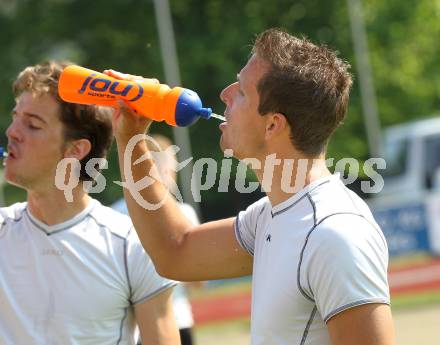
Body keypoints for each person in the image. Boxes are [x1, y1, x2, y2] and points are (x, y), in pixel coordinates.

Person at [110, 28, 395, 345]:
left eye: (242, 91)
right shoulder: (272, 215)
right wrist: (130, 138)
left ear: (273, 124)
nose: (225, 94)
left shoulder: (334, 232)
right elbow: (173, 252)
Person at [0, 60, 180, 345]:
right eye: (15, 116)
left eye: (32, 125)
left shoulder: (132, 244)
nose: (12, 131)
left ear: (75, 150)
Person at [112, 133, 202, 345]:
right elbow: (198, 281)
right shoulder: (113, 217)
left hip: (164, 322)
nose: (171, 174)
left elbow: (199, 281)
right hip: (148, 326)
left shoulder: (112, 214)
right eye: (167, 167)